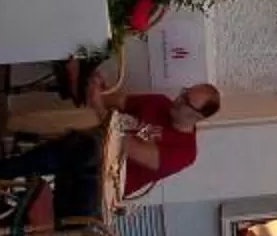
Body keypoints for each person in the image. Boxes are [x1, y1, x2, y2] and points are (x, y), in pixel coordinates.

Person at [93, 79, 222, 199]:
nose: (178, 100)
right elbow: (113, 100)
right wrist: (99, 87)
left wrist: (98, 107)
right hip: (93, 150)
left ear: (198, 117)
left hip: (102, 186)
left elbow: (124, 145)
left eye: (186, 102)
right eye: (184, 92)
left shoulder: (185, 153)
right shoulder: (160, 102)